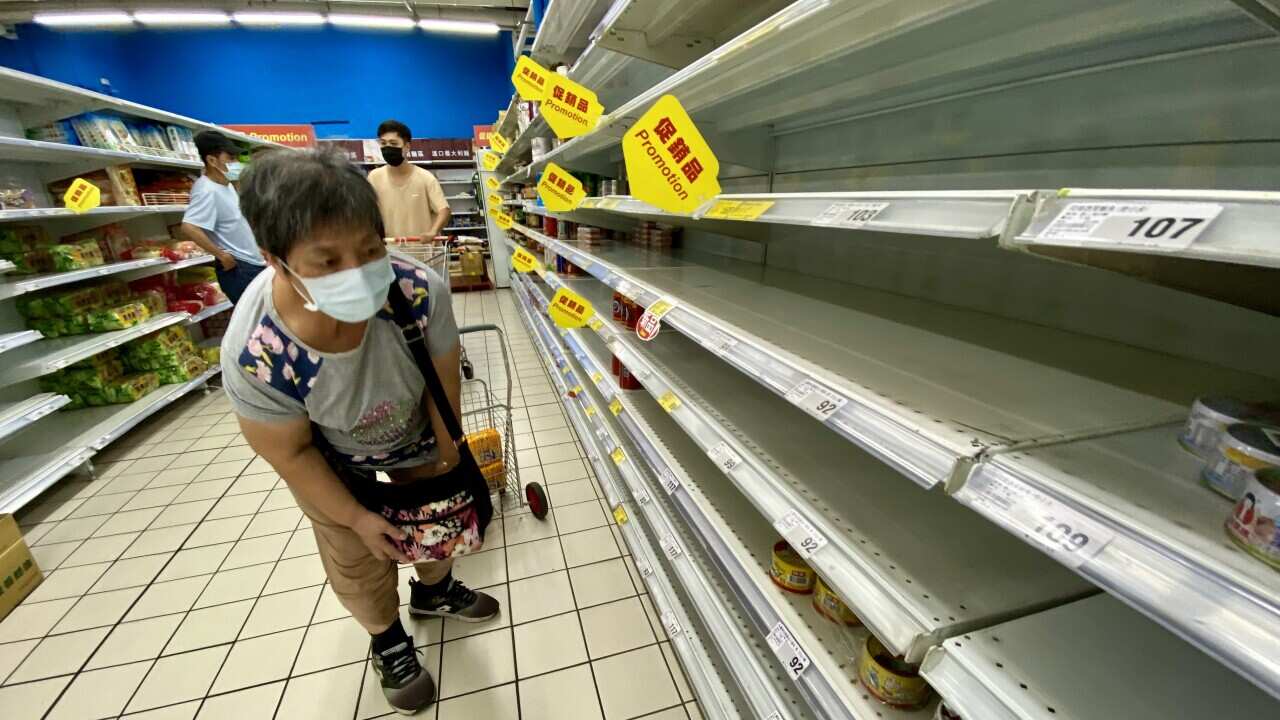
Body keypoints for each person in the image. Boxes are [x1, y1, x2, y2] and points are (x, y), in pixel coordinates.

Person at [220, 147, 498, 714]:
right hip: (328, 455)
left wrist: (442, 476)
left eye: (370, 250)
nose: (358, 271)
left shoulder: (418, 293)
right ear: (276, 260)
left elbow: (443, 389)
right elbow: (292, 454)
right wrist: (354, 515)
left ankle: (434, 591)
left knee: (433, 522)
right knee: (355, 549)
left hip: (414, 427)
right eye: (327, 261)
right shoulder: (256, 352)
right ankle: (387, 638)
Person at [180, 130, 267, 303]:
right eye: (230, 158)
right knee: (257, 324)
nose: (236, 163)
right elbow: (189, 227)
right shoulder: (206, 189)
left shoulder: (226, 185)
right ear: (212, 160)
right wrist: (222, 256)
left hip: (252, 263)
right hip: (239, 268)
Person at [367, 120, 452, 239]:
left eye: (393, 143)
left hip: (422, 251)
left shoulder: (425, 178)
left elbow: (444, 211)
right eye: (383, 143)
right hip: (390, 251)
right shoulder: (374, 178)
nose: (388, 148)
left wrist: (433, 232)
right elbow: (367, 213)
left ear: (407, 147)